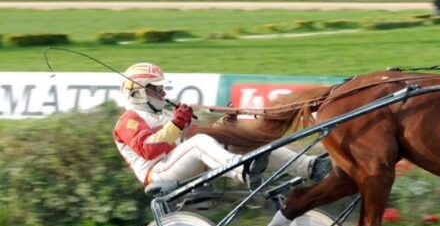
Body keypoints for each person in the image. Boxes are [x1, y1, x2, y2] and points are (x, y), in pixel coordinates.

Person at [112, 62, 330, 190]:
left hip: (181, 163)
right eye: (156, 89)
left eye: (161, 88)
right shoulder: (128, 120)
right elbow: (148, 150)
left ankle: (309, 166)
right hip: (158, 173)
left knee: (244, 143)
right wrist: (176, 123)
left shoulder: (165, 114)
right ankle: (241, 170)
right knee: (199, 144)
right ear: (138, 92)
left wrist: (225, 124)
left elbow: (202, 136)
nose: (163, 93)